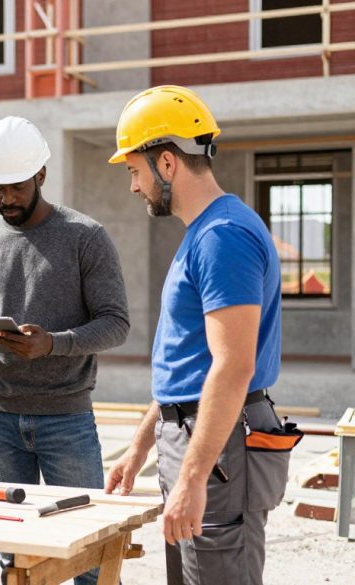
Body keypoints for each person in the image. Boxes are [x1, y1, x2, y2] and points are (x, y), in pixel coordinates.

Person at [104, 86, 292, 585]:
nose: (133, 186)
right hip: (199, 440)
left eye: (134, 171)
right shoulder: (206, 233)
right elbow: (189, 365)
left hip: (217, 448)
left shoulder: (221, 238)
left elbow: (233, 366)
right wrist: (142, 446)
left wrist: (192, 477)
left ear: (167, 164)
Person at [0, 116, 130, 585]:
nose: (5, 197)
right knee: (14, 555)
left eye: (15, 187)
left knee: (89, 549)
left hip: (66, 418)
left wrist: (53, 344)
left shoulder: (85, 237)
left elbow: (116, 324)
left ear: (41, 176)